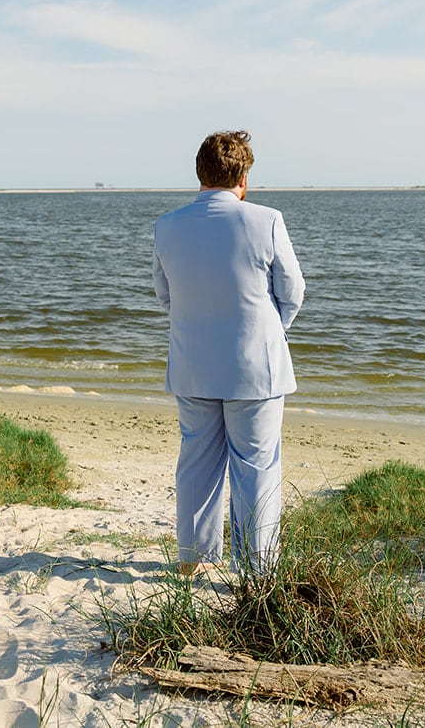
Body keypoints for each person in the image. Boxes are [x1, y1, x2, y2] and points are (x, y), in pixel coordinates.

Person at [152, 130, 304, 575]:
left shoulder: (167, 225)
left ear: (200, 173)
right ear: (243, 177)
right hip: (256, 368)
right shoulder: (267, 220)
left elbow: (166, 297)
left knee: (196, 463)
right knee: (255, 468)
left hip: (193, 364)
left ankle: (193, 562)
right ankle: (256, 570)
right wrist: (272, 329)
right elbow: (292, 291)